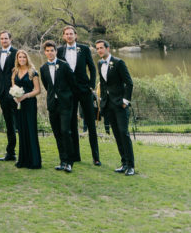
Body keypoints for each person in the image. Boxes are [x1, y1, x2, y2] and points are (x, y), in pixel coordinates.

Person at [57, 24, 100, 165]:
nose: (69, 36)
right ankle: (75, 155)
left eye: (71, 33)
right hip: (69, 92)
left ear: (76, 35)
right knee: (72, 124)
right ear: (63, 36)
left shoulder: (85, 49)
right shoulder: (59, 51)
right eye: (66, 34)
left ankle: (96, 157)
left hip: (84, 90)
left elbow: (92, 69)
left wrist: (91, 86)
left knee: (90, 123)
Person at [95, 39, 135, 175]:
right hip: (108, 105)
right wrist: (102, 101)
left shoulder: (119, 63)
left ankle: (131, 166)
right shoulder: (100, 63)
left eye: (101, 48)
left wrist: (125, 101)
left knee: (124, 133)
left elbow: (129, 83)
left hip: (120, 104)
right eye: (97, 48)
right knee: (117, 135)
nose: (99, 50)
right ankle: (124, 163)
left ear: (108, 48)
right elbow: (103, 83)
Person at [40, 39, 76, 172]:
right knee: (57, 133)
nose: (50, 53)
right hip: (52, 105)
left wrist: (67, 97)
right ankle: (62, 161)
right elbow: (47, 85)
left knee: (65, 131)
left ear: (56, 51)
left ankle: (70, 162)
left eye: (52, 50)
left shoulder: (64, 65)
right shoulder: (43, 68)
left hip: (65, 104)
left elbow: (72, 84)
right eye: (47, 51)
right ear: (45, 52)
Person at [11, 49, 41, 169]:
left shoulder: (33, 72)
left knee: (30, 130)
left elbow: (38, 90)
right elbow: (13, 87)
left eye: (24, 57)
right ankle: (23, 160)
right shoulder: (15, 71)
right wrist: (15, 96)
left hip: (29, 104)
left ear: (27, 58)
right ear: (17, 59)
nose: (22, 59)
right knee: (22, 130)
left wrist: (25, 96)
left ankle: (34, 161)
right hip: (19, 104)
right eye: (20, 57)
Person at [0, 30, 17, 161]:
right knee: (9, 124)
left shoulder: (16, 53)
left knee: (18, 123)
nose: (4, 41)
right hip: (2, 94)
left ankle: (24, 153)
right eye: (1, 39)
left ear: (10, 39)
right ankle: (11, 153)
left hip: (15, 94)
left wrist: (16, 91)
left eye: (6, 38)